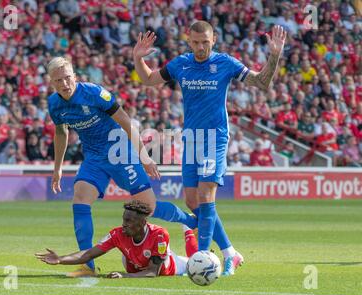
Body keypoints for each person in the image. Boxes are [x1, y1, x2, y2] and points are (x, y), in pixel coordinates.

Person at [133, 21, 286, 274]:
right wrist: (138, 58)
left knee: (205, 197)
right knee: (193, 202)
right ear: (188, 40)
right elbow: (149, 79)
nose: (201, 47)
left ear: (213, 39)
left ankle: (202, 261)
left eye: (205, 42)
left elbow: (261, 83)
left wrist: (274, 55)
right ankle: (230, 252)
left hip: (214, 138)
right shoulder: (181, 64)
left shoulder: (226, 63)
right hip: (190, 138)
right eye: (196, 42)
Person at [47, 57, 197, 277]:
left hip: (120, 152)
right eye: (59, 80)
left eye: (68, 78)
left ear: (75, 77)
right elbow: (61, 132)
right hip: (94, 158)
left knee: (150, 208)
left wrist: (144, 157)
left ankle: (190, 221)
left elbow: (125, 121)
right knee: (80, 199)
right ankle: (87, 266)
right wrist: (57, 167)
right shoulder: (54, 103)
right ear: (52, 82)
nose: (65, 84)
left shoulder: (94, 94)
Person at [35, 200, 198, 278]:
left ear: (142, 223)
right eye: (123, 219)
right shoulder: (117, 233)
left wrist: (123, 275)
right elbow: (89, 254)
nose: (123, 224)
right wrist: (60, 259)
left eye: (129, 221)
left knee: (195, 263)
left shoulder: (160, 234)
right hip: (136, 266)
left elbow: (152, 272)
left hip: (171, 268)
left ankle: (188, 229)